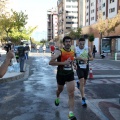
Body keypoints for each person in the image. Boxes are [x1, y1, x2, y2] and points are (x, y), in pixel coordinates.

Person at [49, 36, 77, 120]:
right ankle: (57, 97)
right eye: (66, 42)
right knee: (59, 90)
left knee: (71, 93)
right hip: (61, 75)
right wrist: (63, 63)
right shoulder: (59, 52)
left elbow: (72, 61)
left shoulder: (72, 52)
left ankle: (70, 114)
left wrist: (74, 65)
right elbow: (51, 62)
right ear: (64, 43)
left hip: (70, 74)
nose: (68, 43)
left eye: (69, 41)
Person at [74, 37, 93, 107]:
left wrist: (87, 59)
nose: (82, 45)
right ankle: (83, 99)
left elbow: (92, 58)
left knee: (83, 83)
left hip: (86, 67)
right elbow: (72, 58)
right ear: (78, 43)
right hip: (79, 67)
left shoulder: (88, 48)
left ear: (85, 43)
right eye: (80, 44)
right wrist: (78, 58)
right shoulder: (75, 49)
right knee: (82, 82)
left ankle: (78, 83)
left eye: (83, 44)